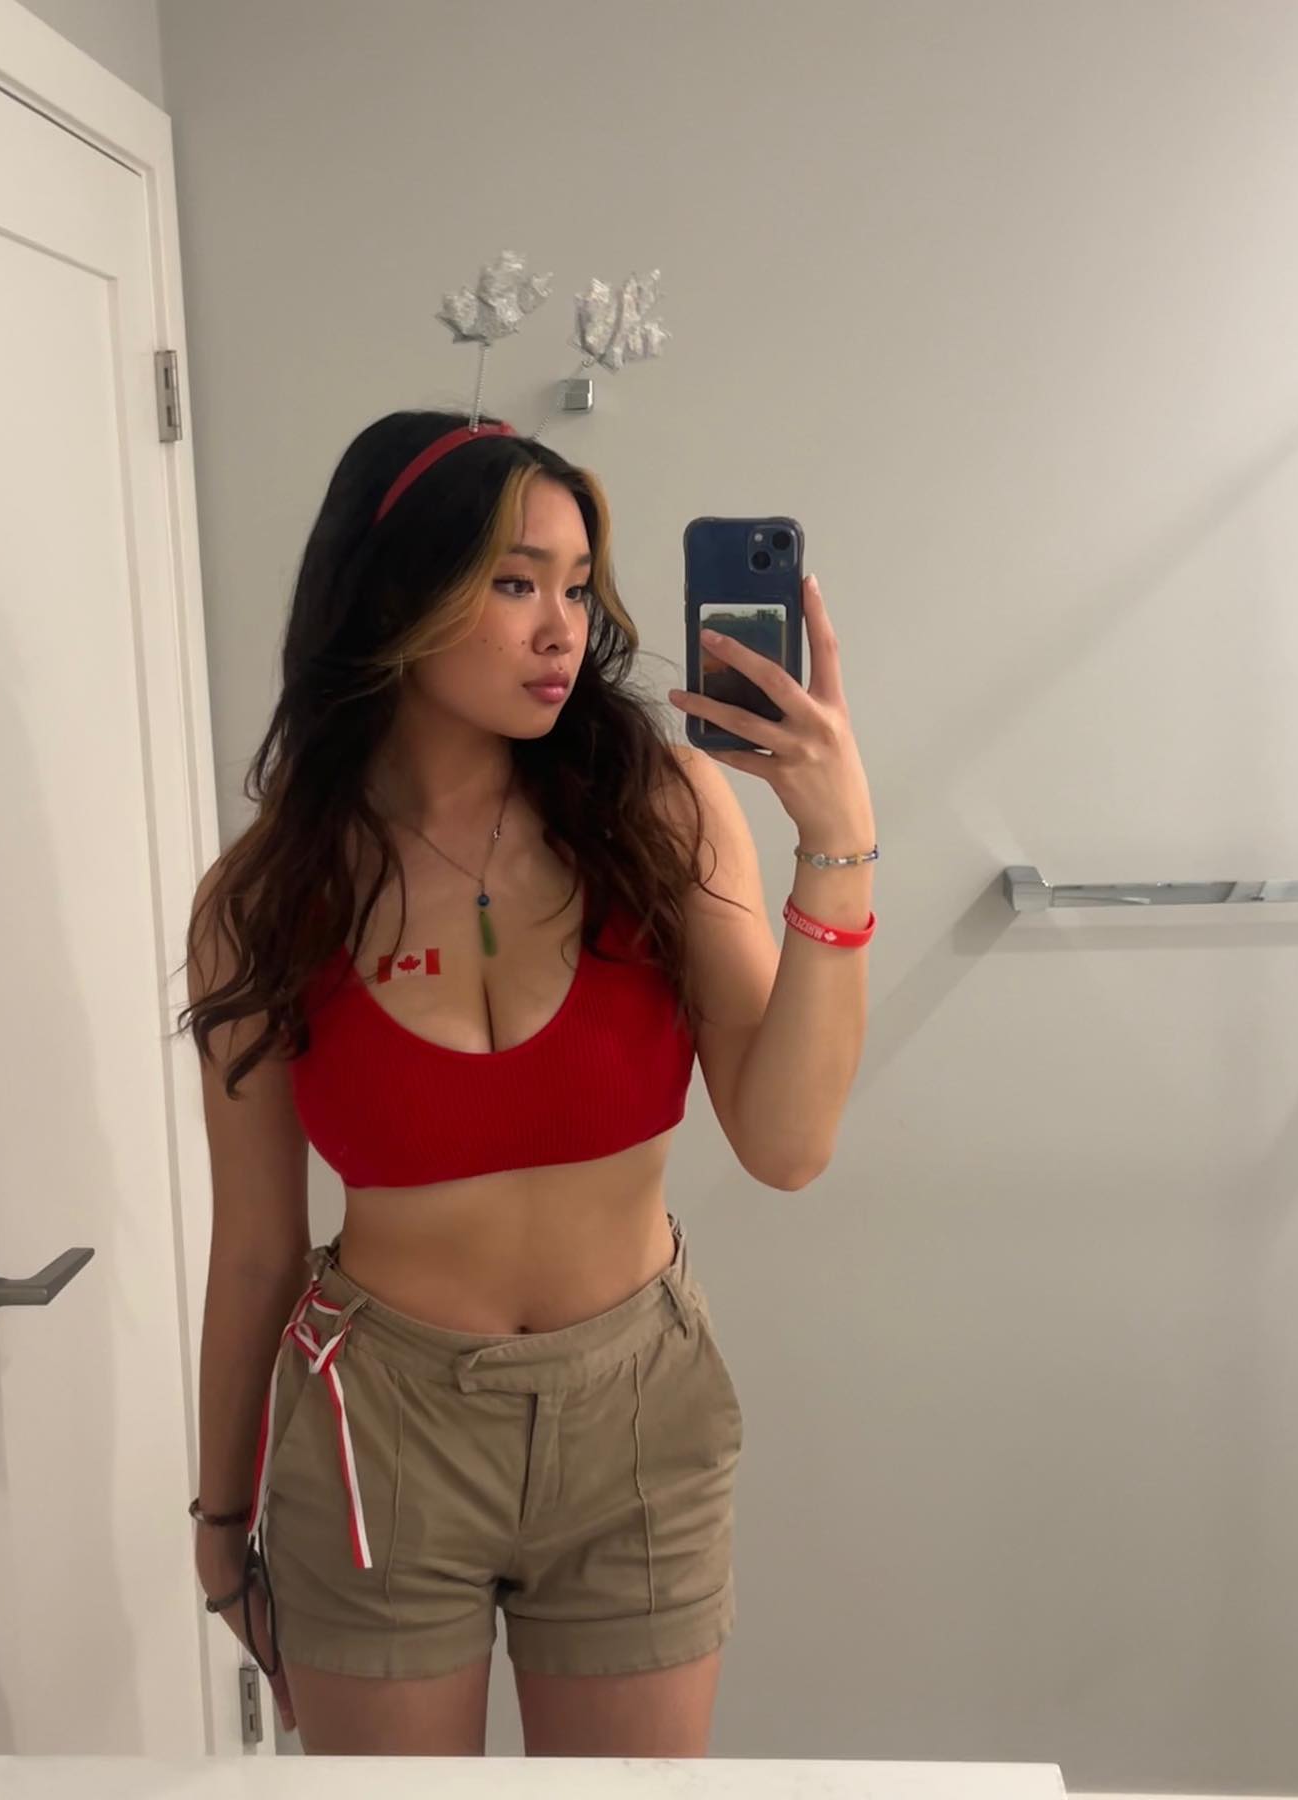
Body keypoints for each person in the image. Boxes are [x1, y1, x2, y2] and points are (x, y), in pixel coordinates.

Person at [176, 409, 877, 1757]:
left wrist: (836, 840)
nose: (563, 629)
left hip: (638, 1416)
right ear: (393, 593)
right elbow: (255, 1248)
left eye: (576, 586)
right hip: (377, 1421)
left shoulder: (661, 810)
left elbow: (788, 1144)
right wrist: (220, 1521)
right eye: (513, 584)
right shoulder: (267, 897)